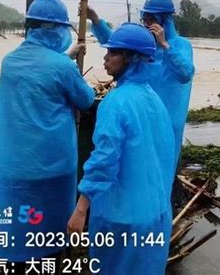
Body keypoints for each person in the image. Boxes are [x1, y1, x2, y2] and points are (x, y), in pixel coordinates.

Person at [0, 0, 95, 272]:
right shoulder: (61, 67)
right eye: (62, 29)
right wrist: (70, 63)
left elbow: (38, 67)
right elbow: (85, 99)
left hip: (12, 167)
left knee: (17, 233)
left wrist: (65, 57)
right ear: (52, 29)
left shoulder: (9, 61)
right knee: (47, 237)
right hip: (51, 168)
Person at [68, 23, 175, 275]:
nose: (105, 58)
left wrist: (81, 208)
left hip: (121, 219)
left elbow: (104, 161)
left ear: (131, 58)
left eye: (113, 53)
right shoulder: (154, 99)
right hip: (156, 215)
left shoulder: (116, 102)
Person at [88, 0, 194, 168]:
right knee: (139, 167)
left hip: (169, 121)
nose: (147, 25)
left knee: (163, 169)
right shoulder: (146, 45)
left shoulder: (181, 45)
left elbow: (185, 74)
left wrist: (165, 46)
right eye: (145, 20)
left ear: (165, 20)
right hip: (142, 116)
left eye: (151, 20)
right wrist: (96, 21)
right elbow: (120, 46)